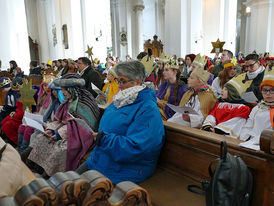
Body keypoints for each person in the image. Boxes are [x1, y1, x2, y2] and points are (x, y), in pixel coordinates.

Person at [76, 61, 165, 184]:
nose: (119, 86)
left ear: (138, 81)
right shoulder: (122, 100)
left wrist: (104, 139)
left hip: (126, 167)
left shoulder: (148, 108)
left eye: (123, 81)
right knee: (67, 183)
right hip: (102, 158)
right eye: (118, 80)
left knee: (75, 191)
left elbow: (139, 147)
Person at [26, 73, 100, 176]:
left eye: (65, 89)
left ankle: (50, 176)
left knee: (59, 150)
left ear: (73, 89)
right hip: (67, 132)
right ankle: (36, 169)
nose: (63, 92)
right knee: (42, 139)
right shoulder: (68, 101)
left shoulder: (84, 102)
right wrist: (51, 130)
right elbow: (59, 121)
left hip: (81, 136)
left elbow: (79, 126)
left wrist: (58, 135)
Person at [239, 67, 274, 150]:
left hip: (268, 145)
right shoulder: (257, 108)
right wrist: (243, 139)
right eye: (265, 90)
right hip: (251, 143)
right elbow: (248, 125)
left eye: (272, 90)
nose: (268, 93)